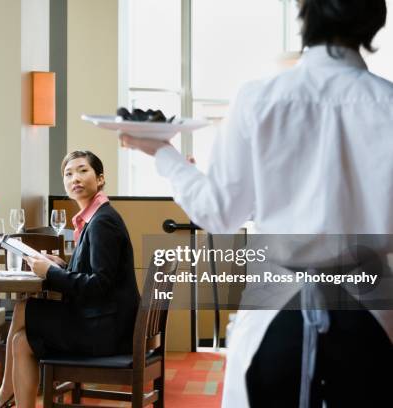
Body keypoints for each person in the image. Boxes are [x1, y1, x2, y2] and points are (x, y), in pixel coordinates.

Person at [120, 0, 393, 407]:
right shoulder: (387, 103)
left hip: (275, 309)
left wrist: (163, 153)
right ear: (374, 23)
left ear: (305, 15)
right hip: (370, 310)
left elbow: (219, 213)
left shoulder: (260, 99)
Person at [0, 151, 140, 408]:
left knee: (24, 318)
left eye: (82, 171)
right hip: (103, 320)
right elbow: (94, 272)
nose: (75, 177)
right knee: (23, 325)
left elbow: (98, 285)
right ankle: (4, 397)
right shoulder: (95, 218)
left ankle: (3, 398)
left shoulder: (102, 222)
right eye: (68, 173)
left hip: (106, 330)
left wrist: (51, 274)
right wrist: (62, 266)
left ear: (100, 179)